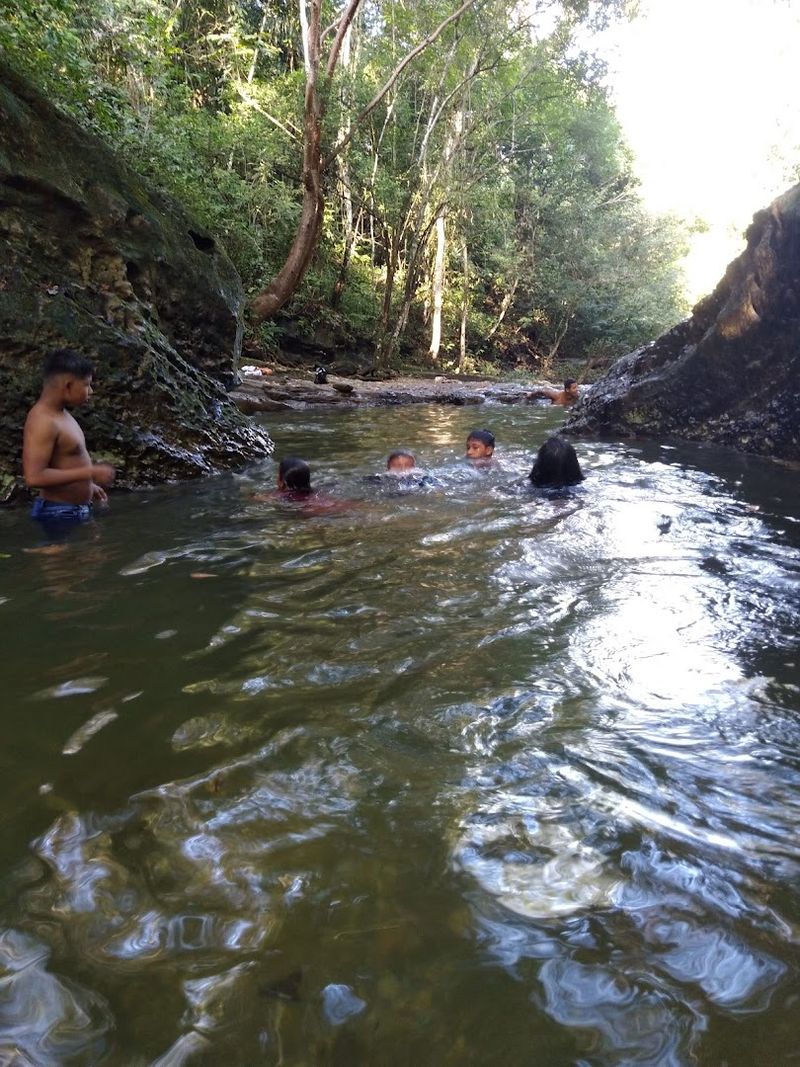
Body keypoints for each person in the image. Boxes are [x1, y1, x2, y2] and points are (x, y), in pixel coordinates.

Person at [23, 348, 115, 532]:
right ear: (68, 385)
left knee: (87, 558)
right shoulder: (43, 420)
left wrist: (88, 485)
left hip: (72, 510)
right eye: (86, 384)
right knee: (61, 560)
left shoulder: (61, 415)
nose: (91, 391)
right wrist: (89, 472)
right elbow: (34, 477)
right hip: (58, 513)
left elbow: (65, 461)